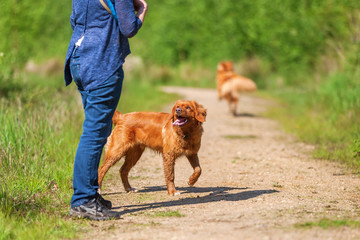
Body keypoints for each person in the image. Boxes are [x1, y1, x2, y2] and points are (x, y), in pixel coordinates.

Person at [63, 0, 148, 220]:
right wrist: (143, 9)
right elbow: (129, 28)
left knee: (97, 131)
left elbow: (75, 21)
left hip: (79, 59)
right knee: (94, 134)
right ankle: (83, 200)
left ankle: (90, 192)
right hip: (102, 62)